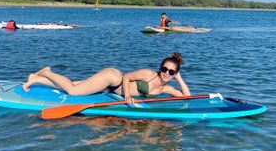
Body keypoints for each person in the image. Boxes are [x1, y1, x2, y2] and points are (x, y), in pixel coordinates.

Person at [22, 52, 190, 105]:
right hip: (113, 79)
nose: (166, 73)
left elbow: (187, 98)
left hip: (109, 90)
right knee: (73, 91)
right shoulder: (149, 74)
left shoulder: (166, 88)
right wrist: (127, 96)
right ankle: (47, 72)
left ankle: (36, 79)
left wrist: (180, 79)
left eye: (171, 72)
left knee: (72, 85)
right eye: (164, 69)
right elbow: (128, 77)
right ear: (160, 68)